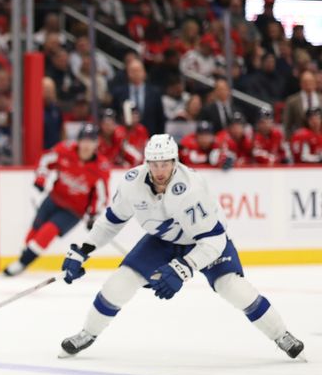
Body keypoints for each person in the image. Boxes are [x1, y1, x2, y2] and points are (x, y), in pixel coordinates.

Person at [58, 134, 304, 360]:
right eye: (154, 164)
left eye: (165, 163)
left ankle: (281, 334)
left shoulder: (192, 188)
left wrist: (183, 268)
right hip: (164, 241)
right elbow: (112, 221)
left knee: (232, 288)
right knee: (119, 282)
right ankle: (87, 333)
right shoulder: (132, 183)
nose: (159, 170)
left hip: (204, 242)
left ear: (175, 161)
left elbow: (214, 240)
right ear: (146, 163)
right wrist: (84, 249)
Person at [3, 123, 110, 276]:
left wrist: (94, 214)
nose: (87, 145)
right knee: (35, 228)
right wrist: (41, 178)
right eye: (84, 140)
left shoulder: (101, 167)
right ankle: (25, 257)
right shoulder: (65, 150)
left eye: (91, 141)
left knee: (48, 231)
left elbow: (101, 195)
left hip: (73, 211)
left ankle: (22, 263)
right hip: (54, 198)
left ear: (96, 144)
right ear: (78, 141)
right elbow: (46, 160)